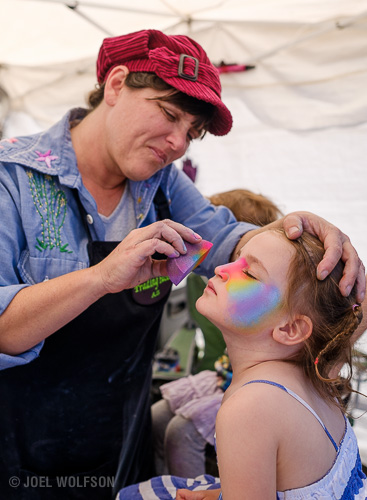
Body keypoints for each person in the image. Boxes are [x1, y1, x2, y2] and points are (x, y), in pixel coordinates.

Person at [0, 28, 364, 500]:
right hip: (21, 450)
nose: (176, 143)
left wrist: (293, 236)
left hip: (116, 442)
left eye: (191, 133)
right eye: (168, 114)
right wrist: (101, 278)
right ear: (115, 85)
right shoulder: (13, 181)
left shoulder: (163, 185)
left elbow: (229, 238)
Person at [118, 228, 366, 500]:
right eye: (237, 258)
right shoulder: (315, 374)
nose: (222, 268)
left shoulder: (248, 409)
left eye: (249, 273)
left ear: (290, 328)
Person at [152, 189, 282, 477]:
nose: (220, 268)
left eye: (248, 271)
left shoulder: (260, 302)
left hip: (239, 385)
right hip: (221, 375)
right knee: (158, 418)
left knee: (180, 432)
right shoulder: (215, 286)